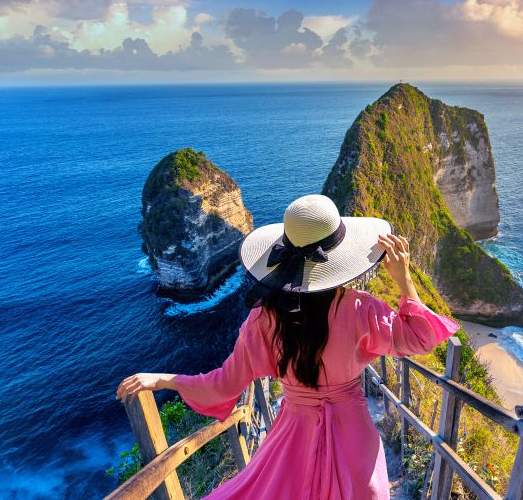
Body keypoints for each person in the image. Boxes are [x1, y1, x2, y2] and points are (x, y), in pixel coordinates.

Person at [116, 194, 460, 500]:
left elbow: (223, 383)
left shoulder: (263, 319)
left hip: (293, 438)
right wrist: (405, 280)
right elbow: (420, 337)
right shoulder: (361, 308)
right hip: (354, 436)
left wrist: (165, 379)